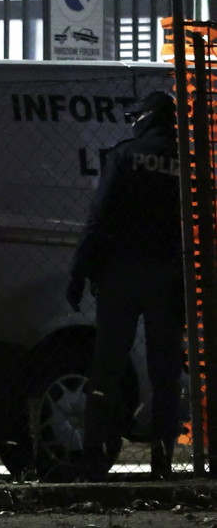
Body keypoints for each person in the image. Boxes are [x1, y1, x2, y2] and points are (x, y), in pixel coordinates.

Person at [66, 90, 185, 480]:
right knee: (165, 369)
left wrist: (80, 272)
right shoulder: (190, 163)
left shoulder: (124, 155)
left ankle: (97, 452)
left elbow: (98, 221)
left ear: (147, 118)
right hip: (168, 278)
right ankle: (163, 456)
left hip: (120, 276)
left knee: (108, 366)